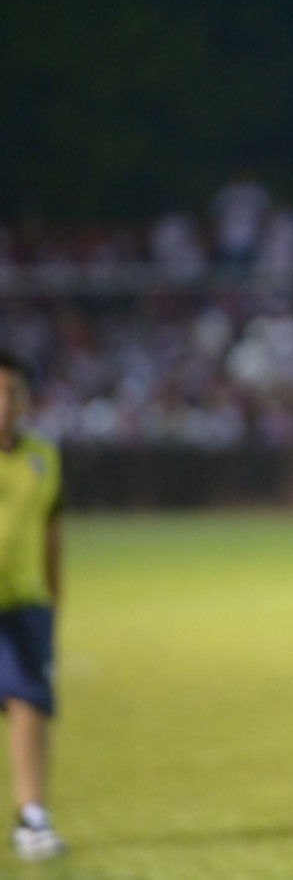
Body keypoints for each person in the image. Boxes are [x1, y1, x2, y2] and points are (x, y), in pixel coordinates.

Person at [0, 350, 67, 861]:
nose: (4, 403)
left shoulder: (43, 457)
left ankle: (32, 814)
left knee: (30, 702)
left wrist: (54, 601)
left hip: (24, 602)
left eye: (12, 391)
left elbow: (52, 531)